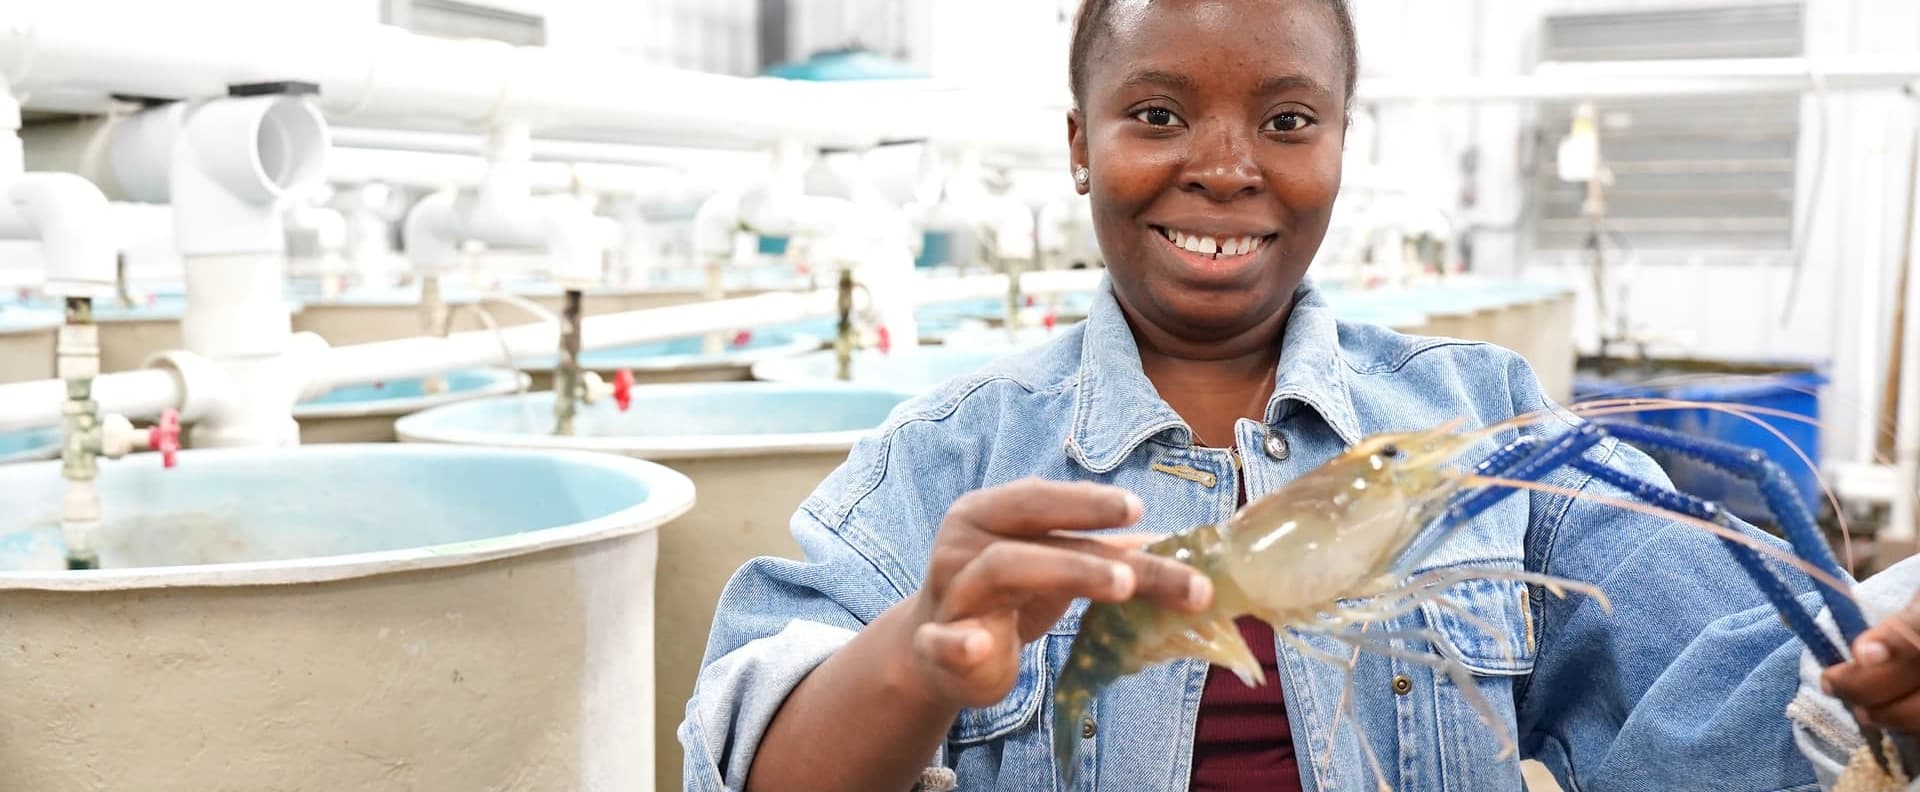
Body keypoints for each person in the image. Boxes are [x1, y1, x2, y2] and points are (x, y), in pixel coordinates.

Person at [679, 1, 1920, 790]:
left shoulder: (1477, 409)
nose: (1222, 168)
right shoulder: (947, 458)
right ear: (1077, 145)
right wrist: (917, 657)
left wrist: (1874, 673)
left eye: (1284, 119)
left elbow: (1726, 670)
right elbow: (752, 758)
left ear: (1338, 144)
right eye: (1156, 114)